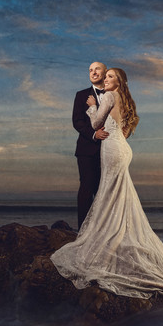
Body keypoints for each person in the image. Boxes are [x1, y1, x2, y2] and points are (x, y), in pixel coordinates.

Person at [52, 67, 163, 302]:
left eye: (110, 76)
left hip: (112, 150)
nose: (105, 79)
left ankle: (108, 237)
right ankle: (118, 234)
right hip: (123, 149)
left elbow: (96, 124)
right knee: (118, 194)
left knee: (108, 193)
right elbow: (123, 130)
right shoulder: (126, 99)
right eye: (105, 77)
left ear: (119, 82)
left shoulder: (108, 96)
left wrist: (92, 107)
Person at [72, 61, 109, 227]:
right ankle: (83, 231)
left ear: (105, 72)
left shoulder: (114, 95)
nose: (93, 72)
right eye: (90, 70)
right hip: (87, 149)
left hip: (109, 150)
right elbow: (77, 121)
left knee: (106, 191)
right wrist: (94, 134)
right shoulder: (81, 95)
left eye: (97, 69)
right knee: (86, 189)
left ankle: (104, 230)